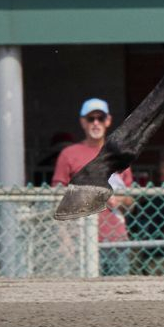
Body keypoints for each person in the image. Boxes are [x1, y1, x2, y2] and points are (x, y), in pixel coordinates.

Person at [50, 98, 136, 275]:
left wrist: (119, 201)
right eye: (91, 119)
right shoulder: (69, 154)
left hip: (115, 238)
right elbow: (56, 198)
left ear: (108, 121)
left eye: (100, 118)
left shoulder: (119, 155)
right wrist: (64, 238)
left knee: (119, 288)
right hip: (79, 239)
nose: (96, 123)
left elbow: (131, 201)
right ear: (83, 122)